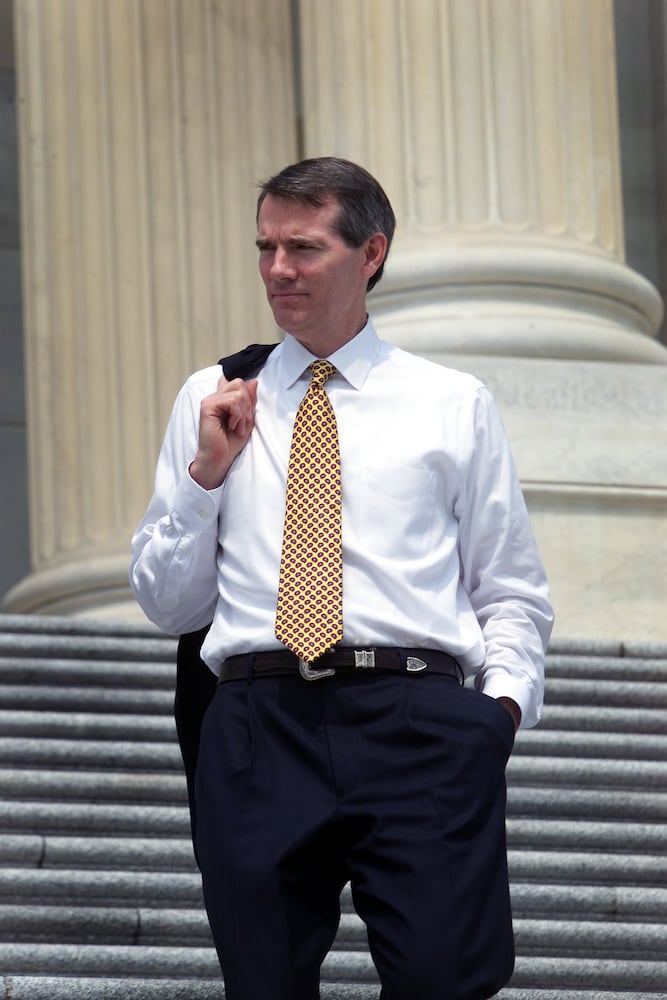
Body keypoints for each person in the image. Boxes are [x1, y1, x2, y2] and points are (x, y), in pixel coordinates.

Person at [130, 156, 553, 1000]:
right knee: (264, 985)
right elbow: (168, 603)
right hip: (258, 722)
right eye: (265, 248)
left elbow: (507, 586)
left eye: (304, 248)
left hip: (416, 722)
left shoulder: (450, 401)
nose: (277, 270)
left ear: (370, 254)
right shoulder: (216, 394)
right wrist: (205, 477)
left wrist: (497, 713)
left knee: (445, 978)